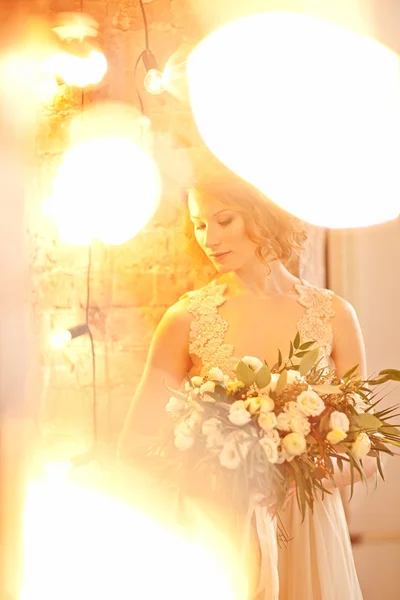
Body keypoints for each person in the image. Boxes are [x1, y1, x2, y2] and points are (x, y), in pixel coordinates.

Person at [118, 161, 375, 599]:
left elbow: (367, 453)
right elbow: (134, 447)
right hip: (220, 532)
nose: (209, 239)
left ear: (264, 212)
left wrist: (296, 479)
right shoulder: (184, 320)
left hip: (308, 529)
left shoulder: (334, 316)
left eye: (223, 220)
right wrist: (217, 476)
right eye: (198, 224)